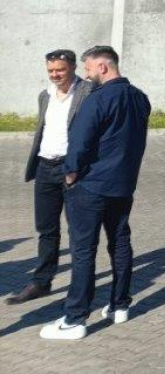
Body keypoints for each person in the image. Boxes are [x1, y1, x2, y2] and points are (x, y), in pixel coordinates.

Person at [40, 46, 152, 341]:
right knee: (120, 242)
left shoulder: (97, 99)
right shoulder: (140, 98)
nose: (87, 76)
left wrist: (70, 174)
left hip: (91, 186)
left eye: (89, 69)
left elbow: (80, 142)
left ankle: (75, 319)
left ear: (103, 67)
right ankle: (119, 305)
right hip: (123, 185)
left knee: (83, 250)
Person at [5, 50, 94, 306]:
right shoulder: (45, 95)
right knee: (46, 229)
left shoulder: (88, 92)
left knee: (77, 230)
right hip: (45, 167)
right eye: (51, 70)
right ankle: (42, 282)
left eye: (60, 70)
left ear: (73, 67)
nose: (55, 75)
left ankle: (79, 285)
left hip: (73, 169)